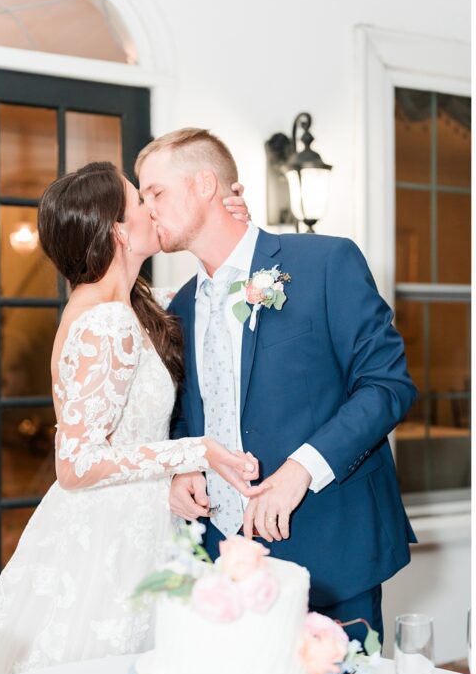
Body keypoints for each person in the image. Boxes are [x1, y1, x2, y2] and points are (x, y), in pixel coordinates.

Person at [137, 128, 417, 646]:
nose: (147, 207)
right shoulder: (179, 308)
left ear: (204, 184)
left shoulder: (325, 263)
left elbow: (386, 385)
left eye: (155, 192)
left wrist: (300, 470)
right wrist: (182, 469)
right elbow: (183, 413)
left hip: (330, 549)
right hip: (220, 563)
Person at [0, 161, 260, 674]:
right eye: (140, 200)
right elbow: (76, 464)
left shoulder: (122, 306)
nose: (153, 208)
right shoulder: (106, 321)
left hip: (140, 518)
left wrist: (229, 223)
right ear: (117, 230)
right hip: (108, 531)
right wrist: (194, 451)